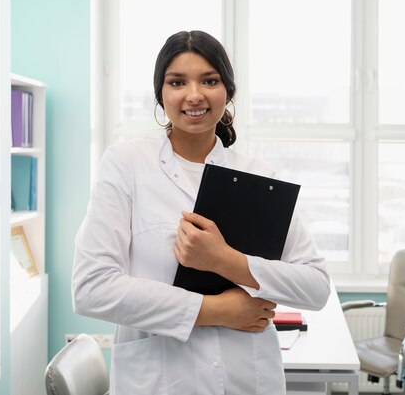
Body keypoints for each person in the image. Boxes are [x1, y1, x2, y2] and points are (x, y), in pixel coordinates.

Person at [72, 30, 330, 395]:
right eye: (177, 82)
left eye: (209, 80)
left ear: (228, 91)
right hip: (159, 383)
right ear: (161, 95)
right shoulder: (126, 164)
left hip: (248, 380)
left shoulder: (258, 176)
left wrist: (226, 260)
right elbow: (92, 288)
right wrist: (216, 311)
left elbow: (316, 286)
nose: (194, 95)